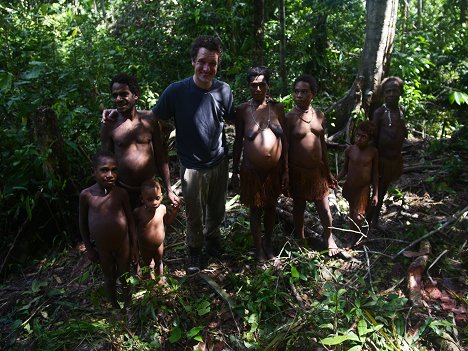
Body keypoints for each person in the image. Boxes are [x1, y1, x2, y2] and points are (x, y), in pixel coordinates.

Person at [103, 35, 234, 274]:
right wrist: (119, 110)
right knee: (194, 213)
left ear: (218, 64)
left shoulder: (223, 90)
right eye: (202, 61)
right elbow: (151, 117)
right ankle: (195, 249)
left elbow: (232, 116)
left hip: (219, 160)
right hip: (192, 165)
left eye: (212, 63)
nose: (207, 68)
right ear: (193, 61)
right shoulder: (176, 91)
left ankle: (213, 240)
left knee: (217, 208)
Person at [230, 66, 288, 261]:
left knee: (271, 206)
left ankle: (268, 243)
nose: (257, 89)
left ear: (267, 86)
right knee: (255, 208)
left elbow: (285, 140)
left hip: (274, 170)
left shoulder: (278, 108)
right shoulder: (243, 110)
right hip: (251, 169)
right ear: (248, 87)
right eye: (253, 85)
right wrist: (235, 171)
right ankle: (257, 248)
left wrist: (286, 169)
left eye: (261, 85)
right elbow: (239, 140)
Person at [101, 73, 178, 208]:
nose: (118, 99)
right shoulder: (109, 123)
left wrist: (169, 189)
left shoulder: (150, 119)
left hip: (149, 192)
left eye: (124, 94)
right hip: (123, 189)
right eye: (115, 95)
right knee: (128, 227)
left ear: (135, 95)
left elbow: (161, 156)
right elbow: (106, 161)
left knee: (150, 228)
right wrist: (108, 191)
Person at [285, 74, 339, 256]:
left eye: (304, 92)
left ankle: (329, 237)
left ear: (313, 94)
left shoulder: (319, 115)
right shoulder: (289, 118)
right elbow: (285, 147)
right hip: (298, 171)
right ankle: (300, 239)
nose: (300, 95)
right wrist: (285, 171)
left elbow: (322, 144)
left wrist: (328, 170)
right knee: (299, 207)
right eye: (297, 91)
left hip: (317, 172)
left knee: (324, 208)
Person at [79, 151, 137, 308]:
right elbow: (82, 223)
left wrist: (134, 246)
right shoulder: (87, 195)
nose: (110, 174)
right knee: (109, 277)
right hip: (102, 247)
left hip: (123, 244)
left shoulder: (121, 193)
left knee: (124, 275)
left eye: (114, 170)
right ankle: (114, 307)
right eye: (104, 170)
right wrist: (89, 249)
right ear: (94, 172)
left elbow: (130, 221)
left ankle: (128, 304)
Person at [367, 76, 407, 229]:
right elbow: (373, 136)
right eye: (388, 91)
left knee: (383, 190)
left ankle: (373, 220)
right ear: (383, 94)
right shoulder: (380, 113)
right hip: (381, 160)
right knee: (376, 191)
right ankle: (366, 222)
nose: (391, 94)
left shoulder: (401, 111)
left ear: (400, 93)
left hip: (393, 160)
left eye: (394, 91)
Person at [336, 120, 379, 246]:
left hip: (363, 189)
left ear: (370, 139)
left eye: (363, 137)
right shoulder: (350, 150)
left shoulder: (373, 152)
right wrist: (336, 180)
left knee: (358, 216)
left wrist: (376, 193)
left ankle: (358, 238)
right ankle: (354, 237)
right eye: (358, 135)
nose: (359, 139)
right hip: (350, 186)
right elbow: (345, 169)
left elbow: (375, 173)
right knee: (352, 212)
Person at [133, 178, 179, 281]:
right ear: (142, 199)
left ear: (161, 197)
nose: (154, 202)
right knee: (148, 264)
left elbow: (167, 222)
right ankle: (151, 281)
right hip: (144, 246)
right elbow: (133, 228)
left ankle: (160, 279)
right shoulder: (138, 212)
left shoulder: (162, 208)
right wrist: (134, 245)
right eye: (150, 199)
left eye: (157, 198)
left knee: (159, 261)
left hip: (159, 244)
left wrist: (174, 212)